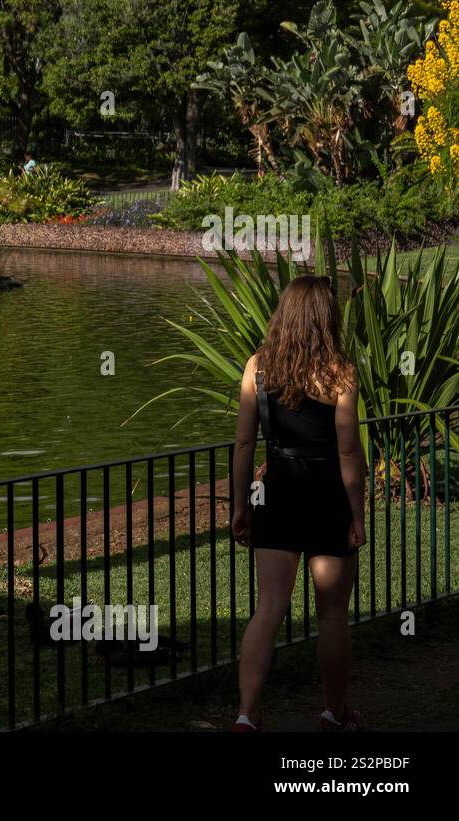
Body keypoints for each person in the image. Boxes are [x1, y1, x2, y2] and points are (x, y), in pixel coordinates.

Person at [230, 275, 366, 733]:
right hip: (327, 494)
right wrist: (358, 513)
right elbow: (349, 452)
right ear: (327, 318)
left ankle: (247, 716)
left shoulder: (259, 367)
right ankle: (333, 713)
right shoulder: (341, 373)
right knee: (332, 614)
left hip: (279, 491)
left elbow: (244, 445)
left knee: (269, 607)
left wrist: (241, 505)